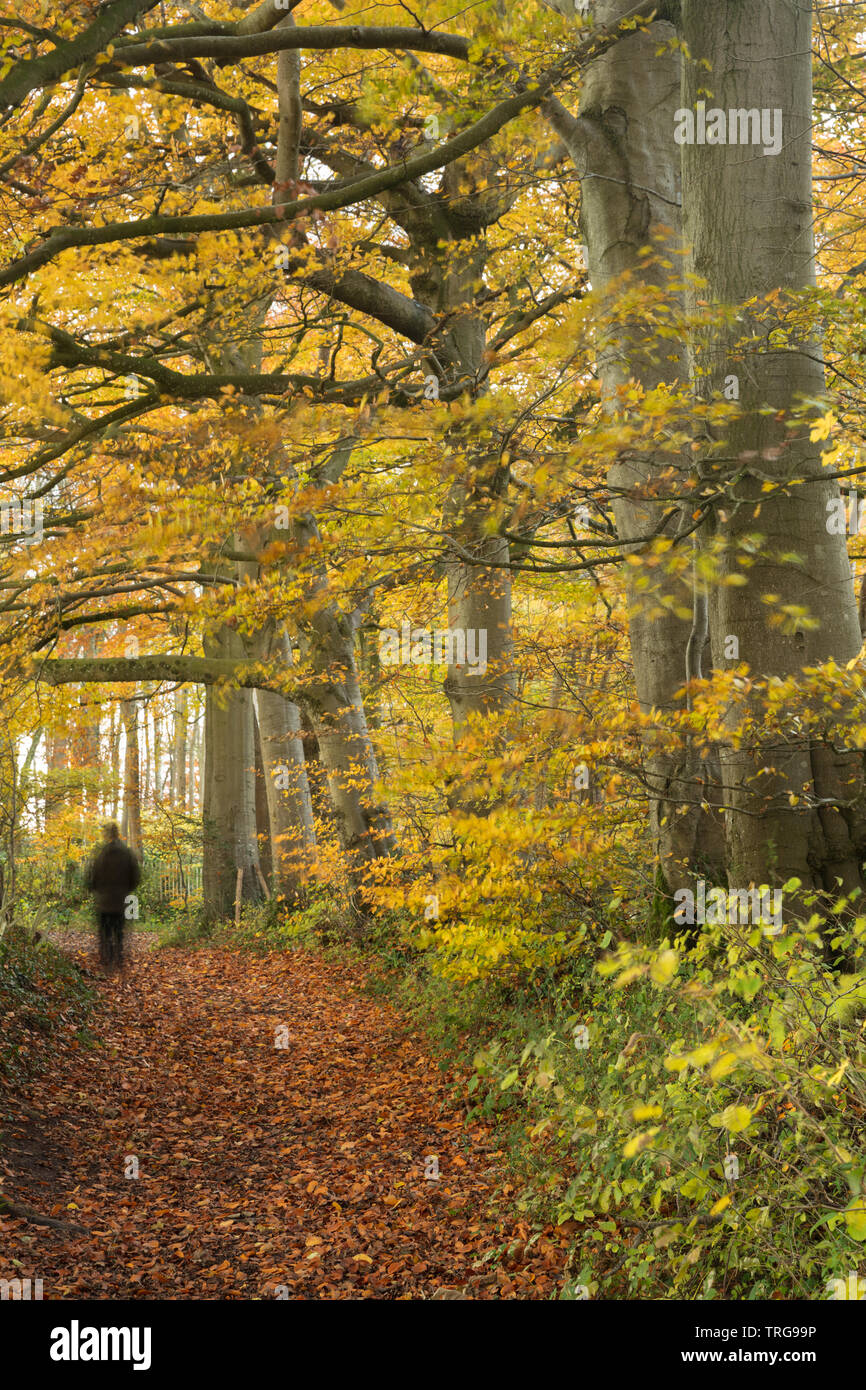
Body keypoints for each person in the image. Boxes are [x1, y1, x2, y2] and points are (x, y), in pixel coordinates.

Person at [85, 823, 140, 972]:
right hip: (121, 900)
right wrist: (126, 889)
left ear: (107, 835)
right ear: (118, 834)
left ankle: (106, 959)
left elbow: (92, 876)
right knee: (119, 931)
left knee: (105, 931)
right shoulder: (127, 853)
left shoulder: (101, 854)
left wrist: (96, 889)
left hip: (104, 902)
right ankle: (118, 957)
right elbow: (136, 877)